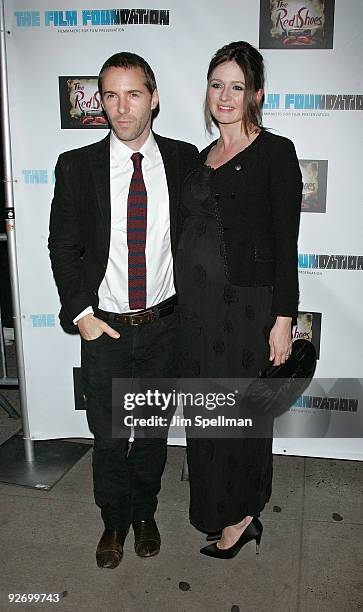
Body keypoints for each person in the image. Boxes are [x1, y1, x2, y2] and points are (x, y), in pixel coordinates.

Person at [48, 52, 199, 569]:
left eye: (133, 94)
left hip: (164, 327)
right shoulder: (77, 166)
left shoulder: (184, 161)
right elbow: (61, 245)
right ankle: (114, 520)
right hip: (105, 329)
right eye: (110, 95)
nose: (121, 107)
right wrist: (80, 314)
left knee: (153, 433)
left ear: (153, 99)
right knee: (110, 437)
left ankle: (144, 514)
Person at [176, 41, 302, 559]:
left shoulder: (275, 153)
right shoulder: (200, 157)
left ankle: (244, 515)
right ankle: (217, 510)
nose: (225, 96)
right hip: (196, 314)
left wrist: (283, 319)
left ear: (256, 94)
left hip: (246, 311)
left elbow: (286, 243)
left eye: (236, 86)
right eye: (216, 85)